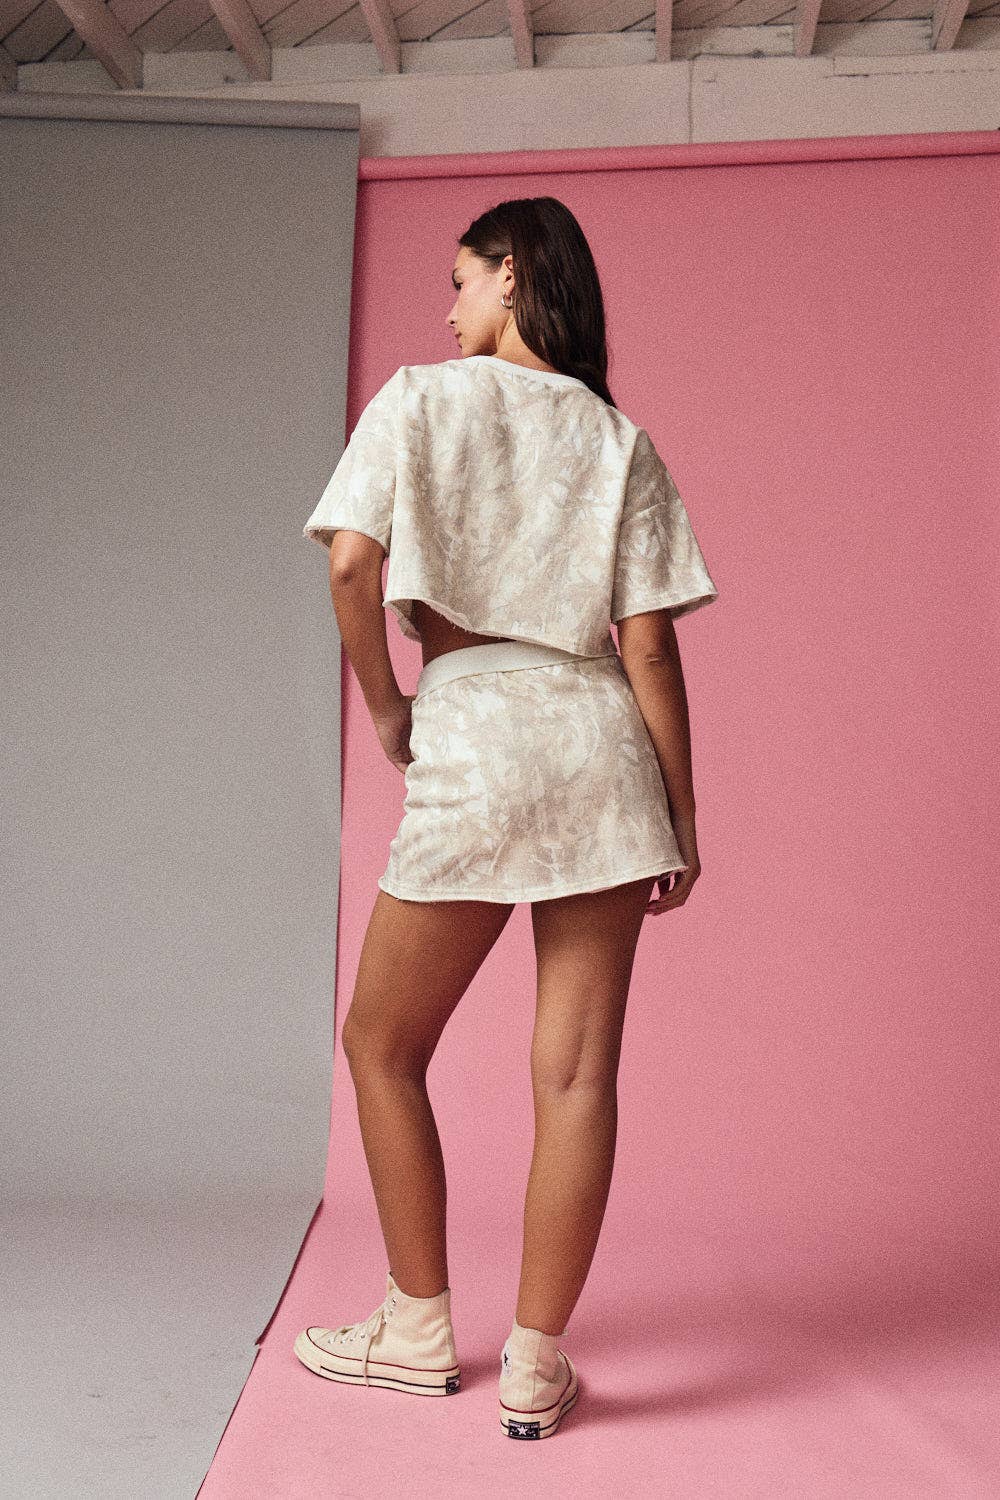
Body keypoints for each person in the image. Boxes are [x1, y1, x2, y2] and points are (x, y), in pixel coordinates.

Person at [291, 196, 719, 1439]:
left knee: (381, 1044)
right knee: (575, 1073)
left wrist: (386, 705)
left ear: (515, 275)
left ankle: (417, 1328)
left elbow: (350, 563)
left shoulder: (419, 401)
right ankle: (535, 1367)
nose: (449, 309)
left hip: (475, 732)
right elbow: (648, 646)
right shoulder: (619, 439)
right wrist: (680, 815)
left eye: (462, 281)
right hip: (600, 747)